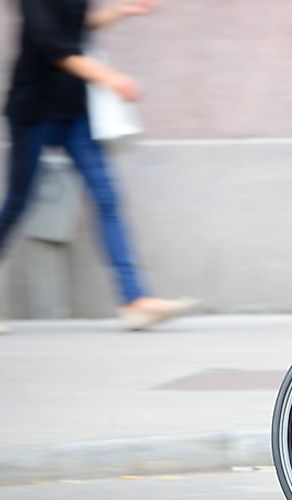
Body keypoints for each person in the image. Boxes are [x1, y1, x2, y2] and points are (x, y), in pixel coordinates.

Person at [0, 0, 197, 332]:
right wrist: (111, 77)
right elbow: (52, 45)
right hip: (34, 110)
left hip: (73, 110)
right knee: (18, 203)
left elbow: (78, 23)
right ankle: (136, 299)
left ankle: (135, 300)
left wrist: (121, 11)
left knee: (106, 196)